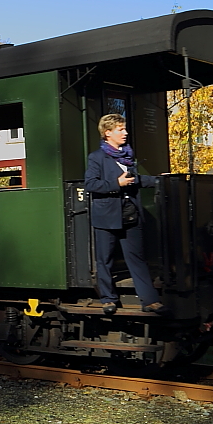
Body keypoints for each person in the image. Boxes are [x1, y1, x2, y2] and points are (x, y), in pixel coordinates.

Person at [84, 113, 167, 316]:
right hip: (107, 217)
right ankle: (108, 299)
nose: (125, 133)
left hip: (130, 215)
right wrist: (116, 184)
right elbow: (91, 184)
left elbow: (135, 180)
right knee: (105, 260)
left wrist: (159, 180)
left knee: (137, 259)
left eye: (125, 128)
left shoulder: (127, 156)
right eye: (121, 129)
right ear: (107, 133)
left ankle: (149, 300)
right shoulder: (97, 157)